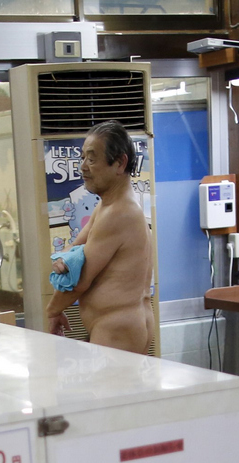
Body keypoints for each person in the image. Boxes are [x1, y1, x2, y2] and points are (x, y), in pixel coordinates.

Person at [46, 121, 154, 355]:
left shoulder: (120, 213)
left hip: (118, 327)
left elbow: (79, 278)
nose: (83, 166)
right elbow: (73, 254)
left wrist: (52, 311)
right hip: (117, 326)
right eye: (83, 157)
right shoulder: (107, 207)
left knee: (111, 393)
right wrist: (65, 261)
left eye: (92, 159)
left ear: (120, 163)